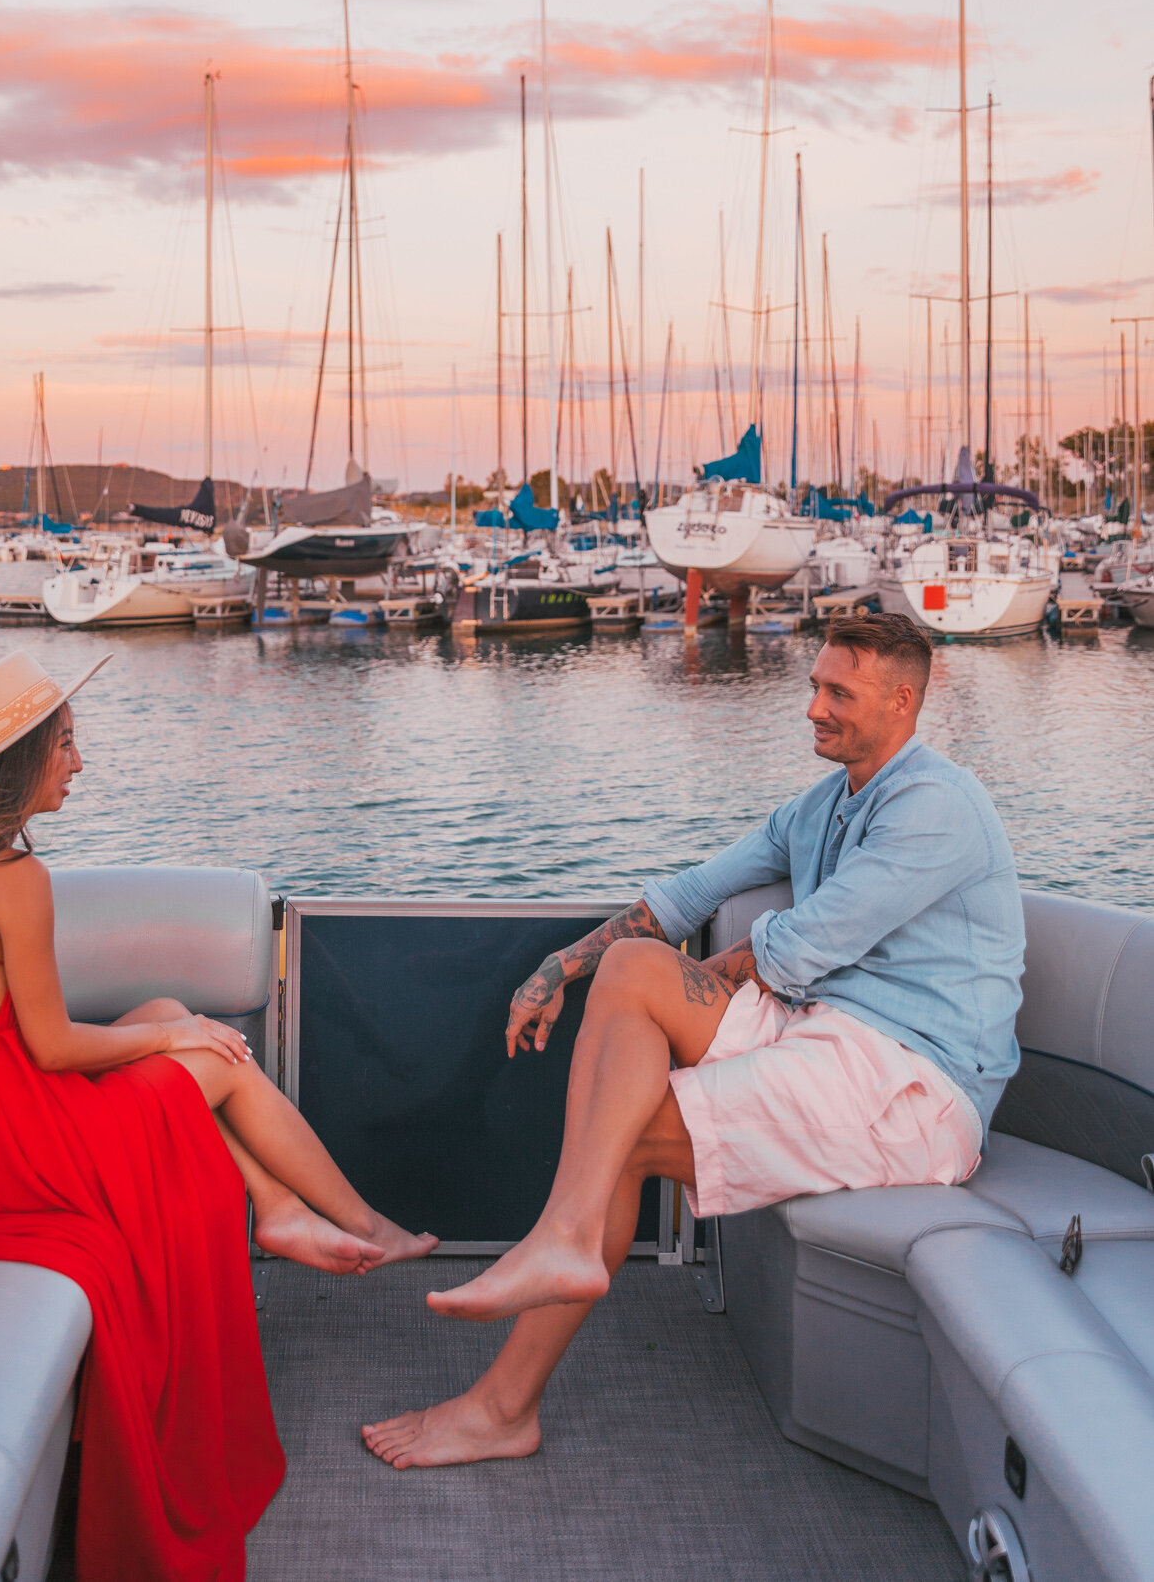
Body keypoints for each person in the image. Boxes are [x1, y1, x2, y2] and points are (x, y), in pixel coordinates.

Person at [363, 611, 1023, 1470]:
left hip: (914, 1084)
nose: (813, 708)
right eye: (814, 686)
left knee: (623, 1133)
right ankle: (559, 1248)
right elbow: (685, 897)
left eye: (837, 692)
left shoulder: (937, 803)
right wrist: (558, 968)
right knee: (635, 964)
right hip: (824, 1030)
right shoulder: (823, 805)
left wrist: (709, 980)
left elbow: (801, 945)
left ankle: (504, 1400)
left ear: (903, 702)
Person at [0, 649, 435, 1582]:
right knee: (211, 1052)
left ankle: (279, 1209)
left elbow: (21, 1040)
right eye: (67, 744)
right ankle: (356, 1220)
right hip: (5, 1148)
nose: (79, 762)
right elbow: (51, 1049)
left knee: (170, 1017)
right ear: (20, 766)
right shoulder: (15, 881)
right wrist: (181, 1043)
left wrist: (169, 1033)